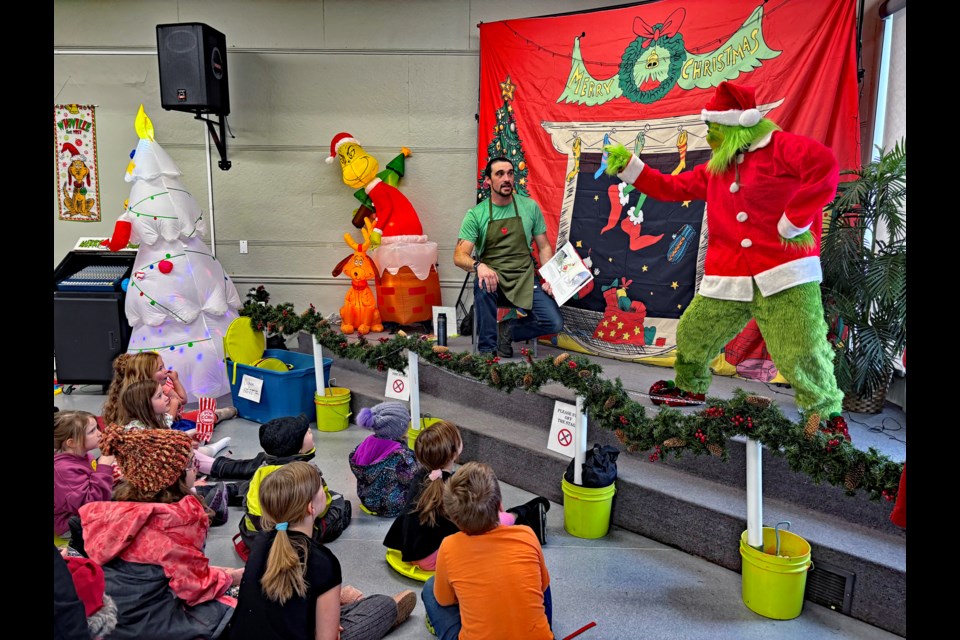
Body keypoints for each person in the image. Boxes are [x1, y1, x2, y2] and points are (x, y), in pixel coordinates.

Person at [604, 80, 849, 437]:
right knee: (694, 332)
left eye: (714, 128)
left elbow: (825, 167)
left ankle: (825, 412)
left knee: (802, 348)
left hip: (785, 272)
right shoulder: (716, 169)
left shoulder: (781, 148)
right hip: (730, 275)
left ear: (739, 124)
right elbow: (669, 187)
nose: (709, 136)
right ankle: (690, 387)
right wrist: (631, 166)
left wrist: (795, 219)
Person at [79, 427, 242, 639]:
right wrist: (231, 578)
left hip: (109, 615)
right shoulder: (174, 523)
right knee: (233, 610)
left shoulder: (114, 510)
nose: (195, 469)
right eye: (192, 463)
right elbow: (194, 587)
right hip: (144, 622)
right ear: (175, 476)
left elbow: (161, 566)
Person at [227, 461, 416, 640]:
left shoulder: (260, 541)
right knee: (383, 605)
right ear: (311, 507)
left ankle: (335, 608)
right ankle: (367, 610)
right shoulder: (323, 562)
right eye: (320, 487)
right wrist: (330, 627)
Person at [383, 420, 548, 570]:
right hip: (439, 557)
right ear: (455, 452)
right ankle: (521, 514)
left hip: (412, 552)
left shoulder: (420, 476)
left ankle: (527, 513)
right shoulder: (455, 486)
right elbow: (472, 523)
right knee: (497, 519)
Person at [421, 462, 553, 640]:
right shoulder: (527, 535)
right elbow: (542, 587)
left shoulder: (449, 546)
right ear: (500, 506)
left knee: (430, 588)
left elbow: (445, 600)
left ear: (454, 519)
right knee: (540, 576)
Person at [455, 156, 564, 357]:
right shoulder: (476, 214)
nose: (507, 178)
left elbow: (544, 247)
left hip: (524, 277)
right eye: (500, 174)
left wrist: (550, 277)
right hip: (493, 277)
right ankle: (487, 351)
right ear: (488, 180)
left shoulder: (529, 207)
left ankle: (506, 330)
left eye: (510, 173)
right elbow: (459, 256)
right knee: (483, 284)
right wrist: (479, 266)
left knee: (554, 322)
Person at [238, 414, 352, 550]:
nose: (310, 432)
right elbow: (320, 509)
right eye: (307, 433)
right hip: (292, 541)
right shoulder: (306, 474)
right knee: (338, 502)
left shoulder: (260, 471)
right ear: (298, 449)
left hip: (253, 538)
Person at [102, 352, 238, 431]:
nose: (165, 371)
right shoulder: (137, 399)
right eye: (160, 369)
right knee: (198, 424)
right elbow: (163, 424)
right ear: (146, 376)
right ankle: (216, 416)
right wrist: (173, 406)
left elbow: (181, 400)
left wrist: (175, 383)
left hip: (174, 421)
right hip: (165, 429)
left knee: (201, 416)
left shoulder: (162, 387)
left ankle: (217, 414)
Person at [347, 402, 419, 517]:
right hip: (391, 505)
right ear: (398, 428)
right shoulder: (400, 455)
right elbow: (412, 478)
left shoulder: (366, 443)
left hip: (366, 499)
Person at [54, 410, 115, 539]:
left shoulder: (85, 455)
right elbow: (89, 505)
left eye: (97, 428)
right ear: (72, 443)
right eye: (92, 431)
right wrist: (104, 467)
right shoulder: (63, 470)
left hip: (91, 506)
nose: (100, 433)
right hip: (70, 525)